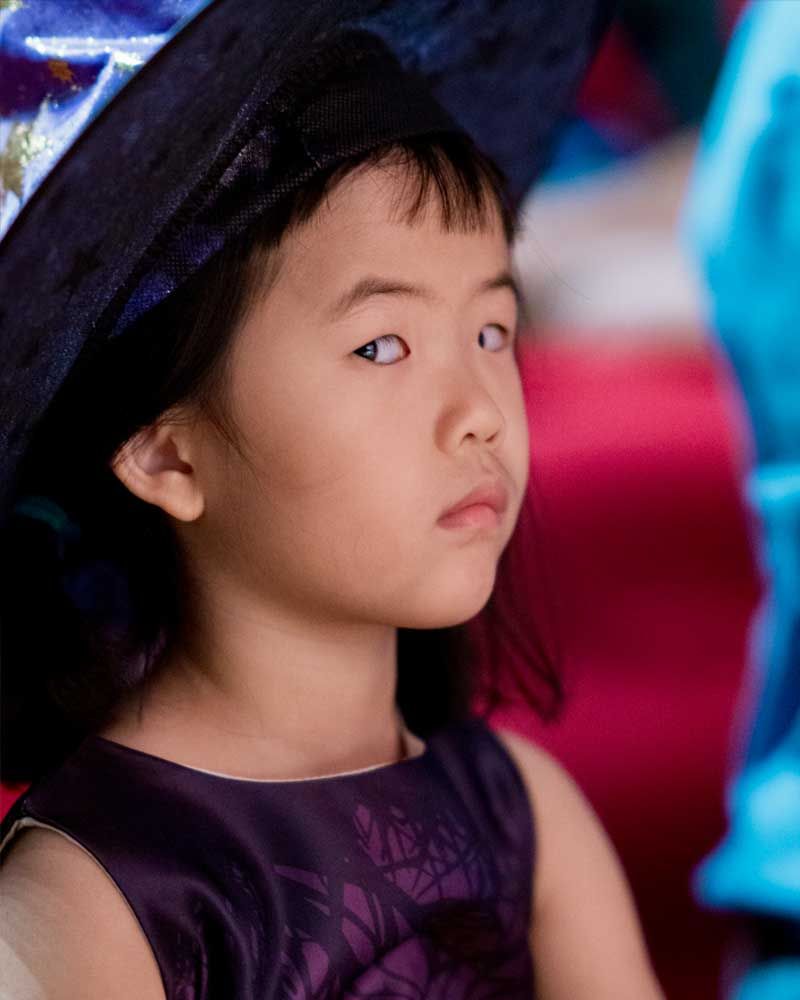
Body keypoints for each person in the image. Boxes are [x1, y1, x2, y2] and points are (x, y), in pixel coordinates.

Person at [0, 2, 664, 997]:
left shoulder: (520, 812)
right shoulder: (90, 896)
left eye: (489, 331)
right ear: (164, 455)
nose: (477, 414)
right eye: (380, 345)